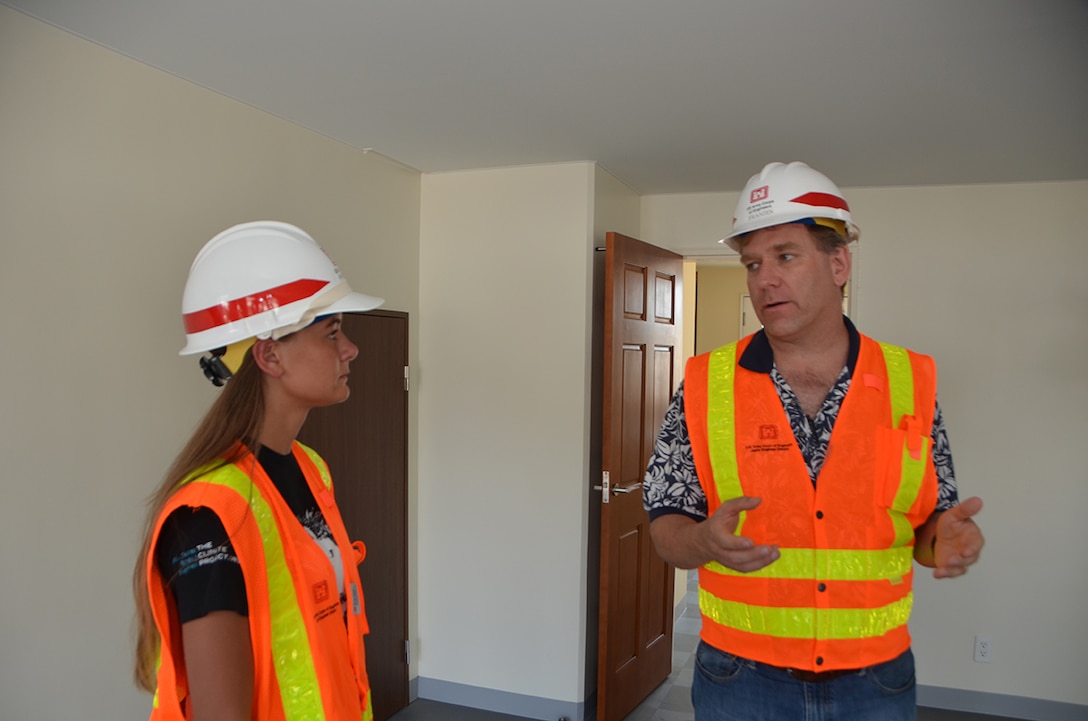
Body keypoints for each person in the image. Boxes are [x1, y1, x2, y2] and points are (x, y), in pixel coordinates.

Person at [643, 162, 984, 720]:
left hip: (876, 681)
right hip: (740, 677)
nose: (764, 279)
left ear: (839, 263)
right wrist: (705, 541)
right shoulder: (707, 384)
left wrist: (946, 541)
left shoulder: (909, 383)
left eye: (785, 256)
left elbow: (926, 528)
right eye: (752, 263)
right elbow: (665, 526)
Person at [132, 221, 384, 721]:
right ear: (269, 355)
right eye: (332, 332)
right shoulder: (207, 517)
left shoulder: (311, 469)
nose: (350, 349)